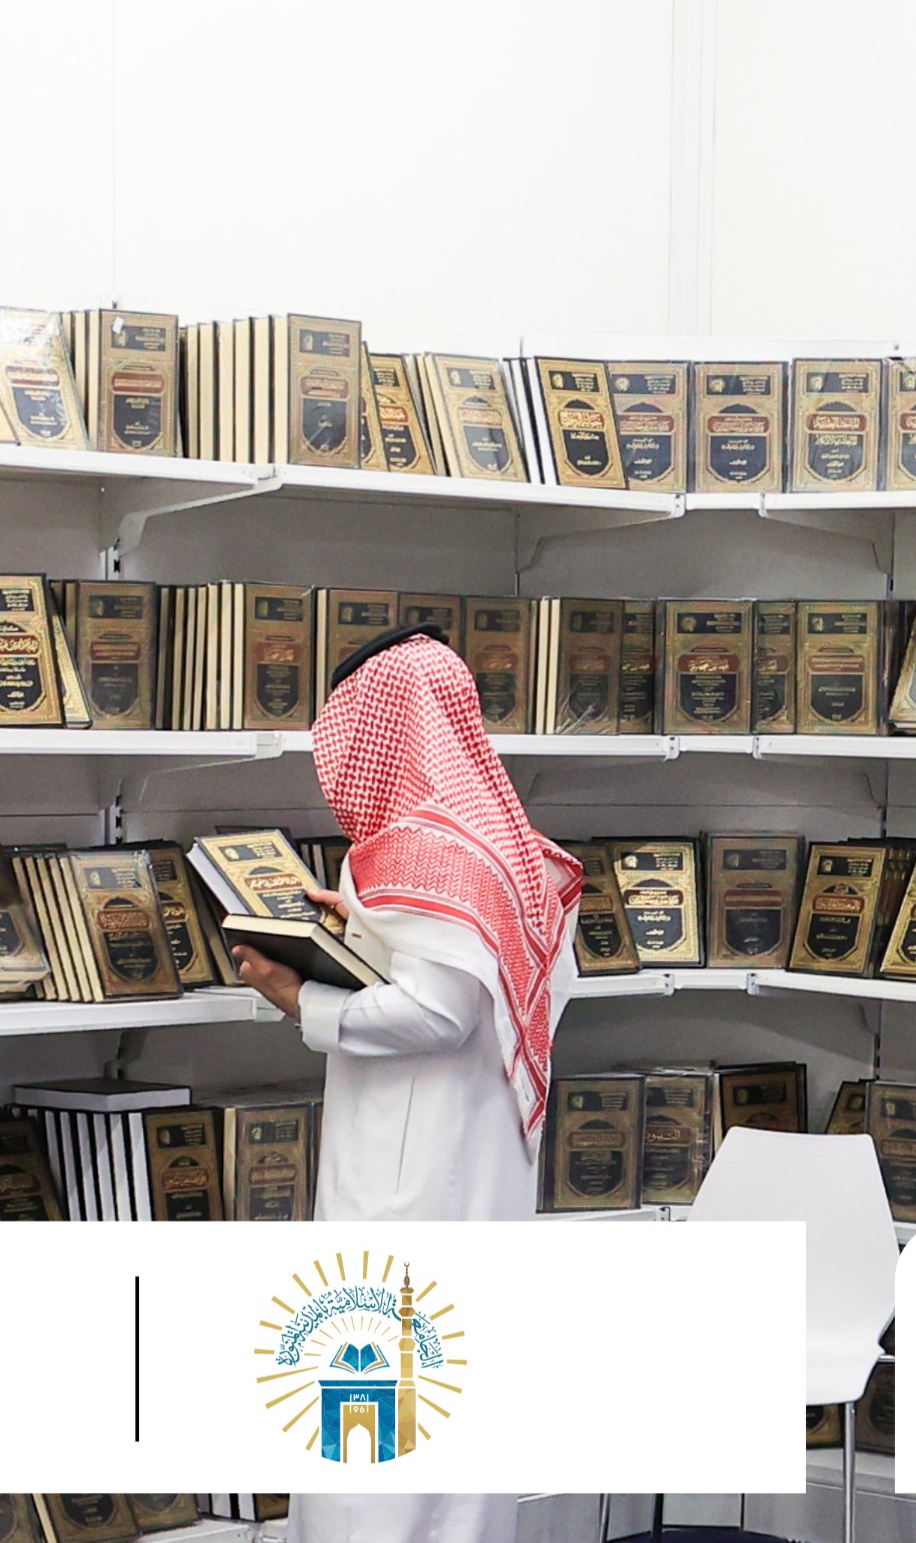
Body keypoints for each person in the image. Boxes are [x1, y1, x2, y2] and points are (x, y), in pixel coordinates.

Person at [231, 623, 580, 1543]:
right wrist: (362, 932)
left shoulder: (424, 852)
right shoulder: (505, 849)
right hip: (474, 1171)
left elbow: (441, 1011)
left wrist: (300, 995)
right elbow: (496, 983)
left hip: (409, 1182)